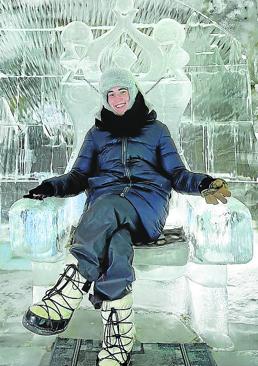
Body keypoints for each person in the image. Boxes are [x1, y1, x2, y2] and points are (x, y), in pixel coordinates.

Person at [22, 67, 231, 366]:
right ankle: (119, 340)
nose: (118, 99)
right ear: (105, 100)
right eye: (111, 94)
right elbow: (79, 176)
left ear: (134, 93)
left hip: (146, 206)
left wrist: (203, 183)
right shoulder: (96, 135)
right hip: (106, 213)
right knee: (116, 243)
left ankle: (69, 288)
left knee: (107, 209)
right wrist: (51, 187)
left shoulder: (157, 130)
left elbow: (177, 173)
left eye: (123, 91)